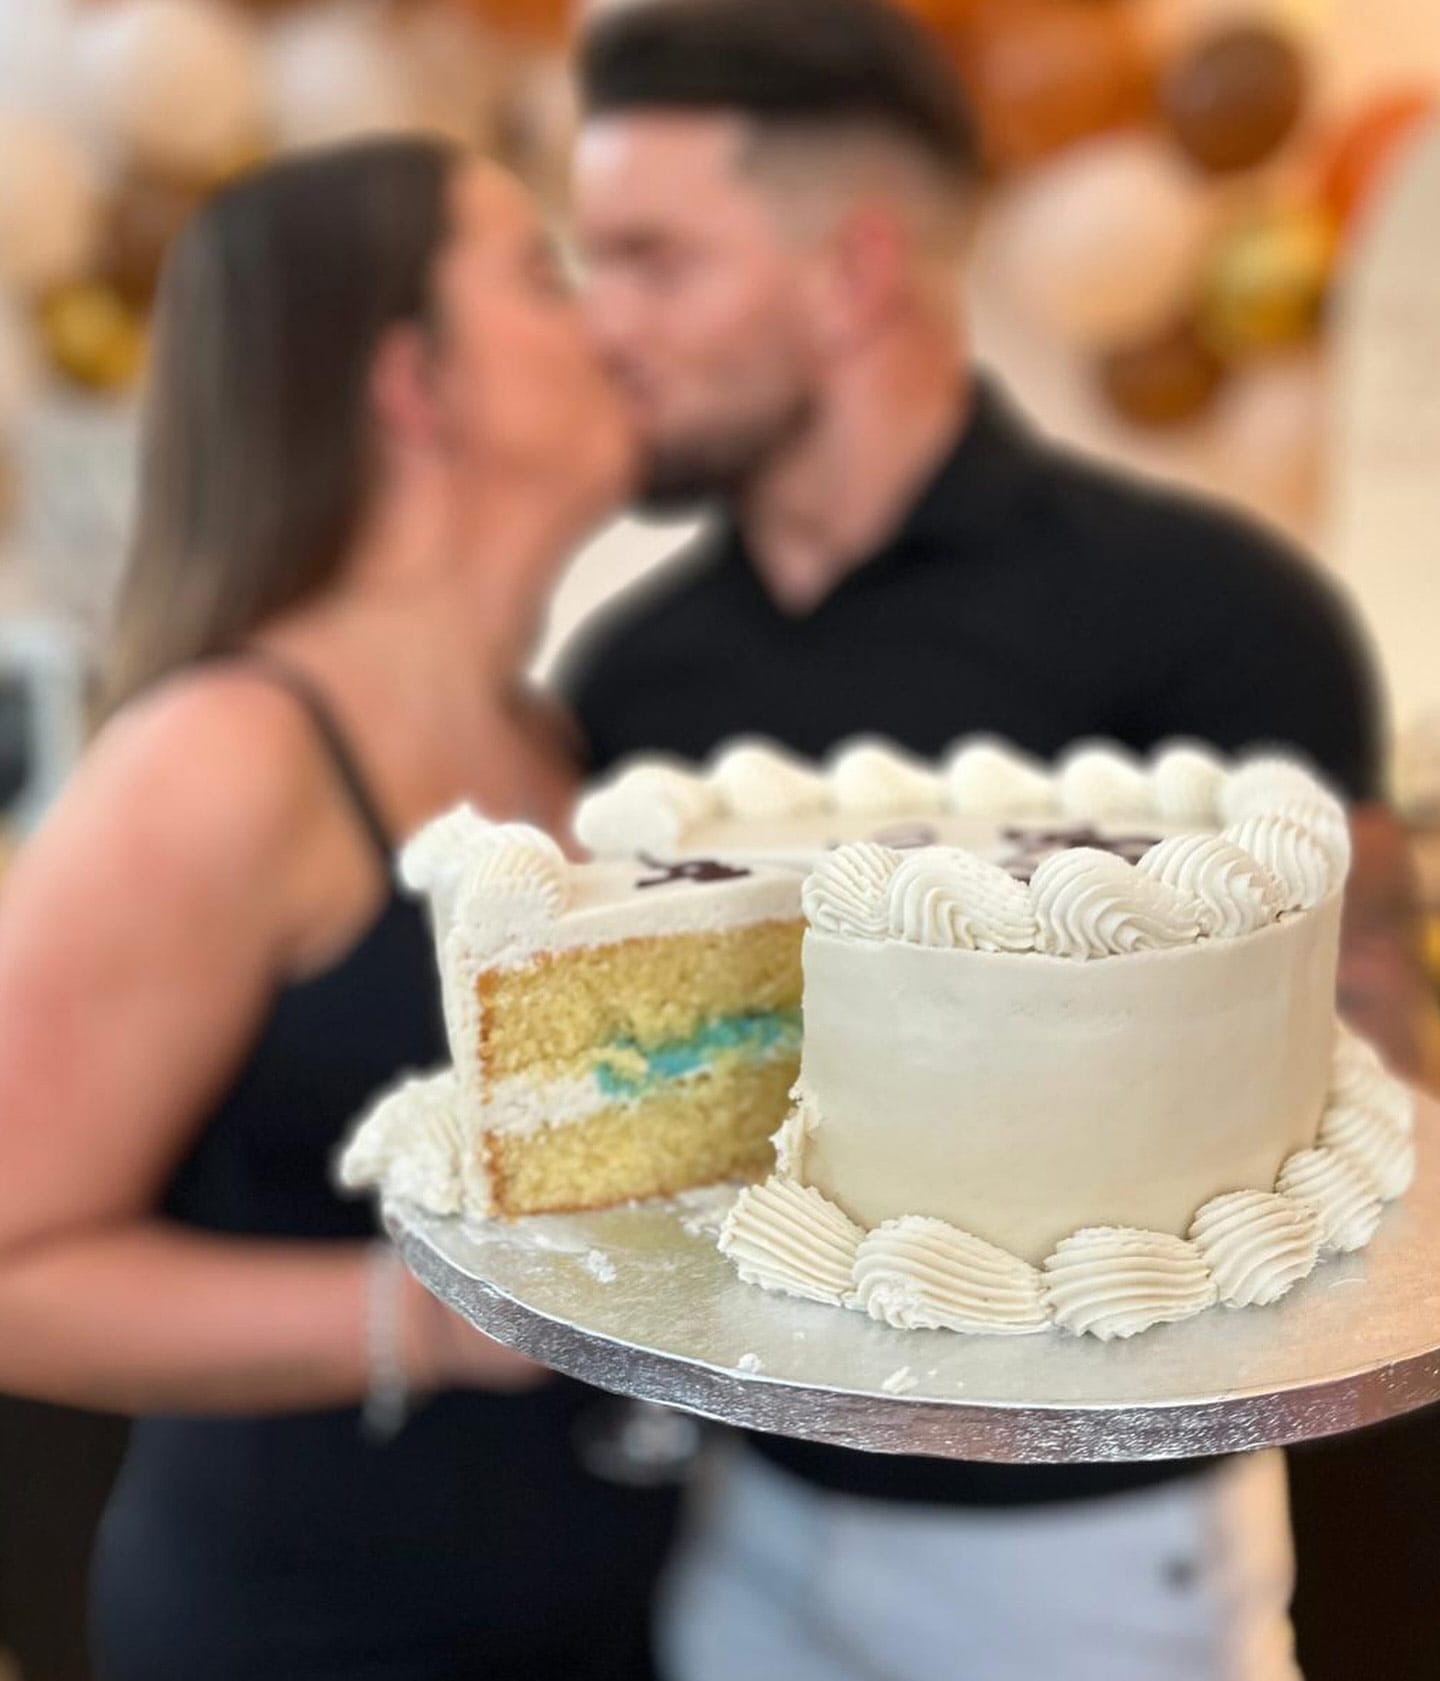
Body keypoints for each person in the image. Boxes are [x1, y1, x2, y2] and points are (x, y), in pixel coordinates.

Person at [558, 3, 1433, 1679]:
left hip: (1084, 1558)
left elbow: (1369, 1096)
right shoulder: (640, 677)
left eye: (655, 260)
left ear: (853, 271)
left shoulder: (1212, 619)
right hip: (736, 1514)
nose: (606, 325)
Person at [0, 139, 677, 1680]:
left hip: (602, 1617)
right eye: (544, 276)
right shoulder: (224, 760)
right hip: (313, 1636)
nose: (609, 319)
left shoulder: (550, 739)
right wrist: (432, 1318)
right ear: (411, 383)